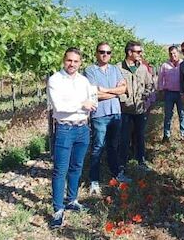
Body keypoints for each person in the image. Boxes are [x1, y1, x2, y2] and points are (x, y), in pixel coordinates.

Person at [47, 48, 97, 229]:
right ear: (63, 60)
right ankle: (58, 210)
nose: (72, 64)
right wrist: (81, 105)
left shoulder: (84, 81)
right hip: (65, 129)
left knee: (77, 167)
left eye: (76, 61)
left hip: (83, 128)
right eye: (69, 60)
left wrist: (86, 106)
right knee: (60, 170)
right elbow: (59, 107)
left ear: (80, 63)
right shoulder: (55, 80)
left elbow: (92, 102)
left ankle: (72, 200)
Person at [84, 42, 127, 195]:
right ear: (96, 53)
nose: (105, 54)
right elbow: (94, 93)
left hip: (115, 113)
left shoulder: (115, 69)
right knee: (97, 147)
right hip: (99, 114)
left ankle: (116, 174)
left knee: (113, 146)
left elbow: (124, 89)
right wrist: (115, 93)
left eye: (108, 52)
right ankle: (94, 180)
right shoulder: (90, 70)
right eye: (102, 52)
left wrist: (107, 90)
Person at [118, 41, 156, 174]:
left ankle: (140, 161)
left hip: (139, 109)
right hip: (124, 110)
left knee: (140, 137)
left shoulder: (143, 68)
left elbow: (150, 84)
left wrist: (144, 96)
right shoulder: (118, 68)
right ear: (129, 52)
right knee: (124, 138)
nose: (141, 54)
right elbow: (116, 87)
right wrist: (123, 99)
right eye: (138, 52)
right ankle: (122, 164)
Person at [159, 45, 184, 142]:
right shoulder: (165, 65)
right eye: (171, 54)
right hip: (169, 93)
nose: (173, 55)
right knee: (168, 115)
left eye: (174, 53)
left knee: (182, 114)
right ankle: (166, 136)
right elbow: (160, 79)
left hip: (181, 93)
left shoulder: (183, 64)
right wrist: (161, 90)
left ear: (178, 53)